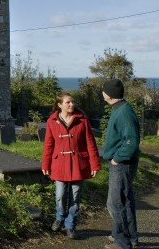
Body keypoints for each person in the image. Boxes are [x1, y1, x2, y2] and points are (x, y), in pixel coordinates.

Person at [41, 91, 101, 240]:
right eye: (68, 102)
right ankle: (60, 217)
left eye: (73, 102)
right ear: (59, 105)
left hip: (78, 164)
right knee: (60, 195)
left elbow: (90, 143)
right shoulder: (51, 121)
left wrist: (94, 165)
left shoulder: (82, 120)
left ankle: (70, 225)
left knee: (75, 197)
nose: (72, 104)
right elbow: (48, 145)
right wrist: (45, 164)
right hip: (59, 164)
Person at [102, 79, 140, 249]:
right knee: (125, 201)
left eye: (103, 90)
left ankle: (122, 241)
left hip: (122, 164)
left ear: (108, 94)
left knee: (115, 203)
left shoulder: (124, 112)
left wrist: (117, 158)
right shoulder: (120, 109)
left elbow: (131, 142)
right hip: (123, 164)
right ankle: (130, 237)